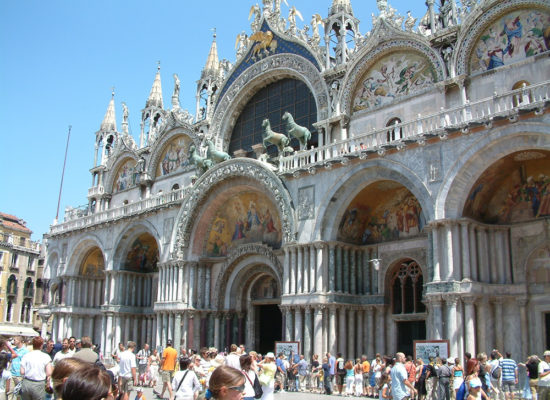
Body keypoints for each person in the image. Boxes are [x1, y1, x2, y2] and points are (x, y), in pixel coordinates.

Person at [9, 336, 29, 400]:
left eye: (15, 340)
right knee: (10, 392)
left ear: (19, 341)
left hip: (20, 375)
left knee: (20, 393)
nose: (13, 341)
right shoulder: (13, 350)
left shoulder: (26, 351)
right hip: (12, 373)